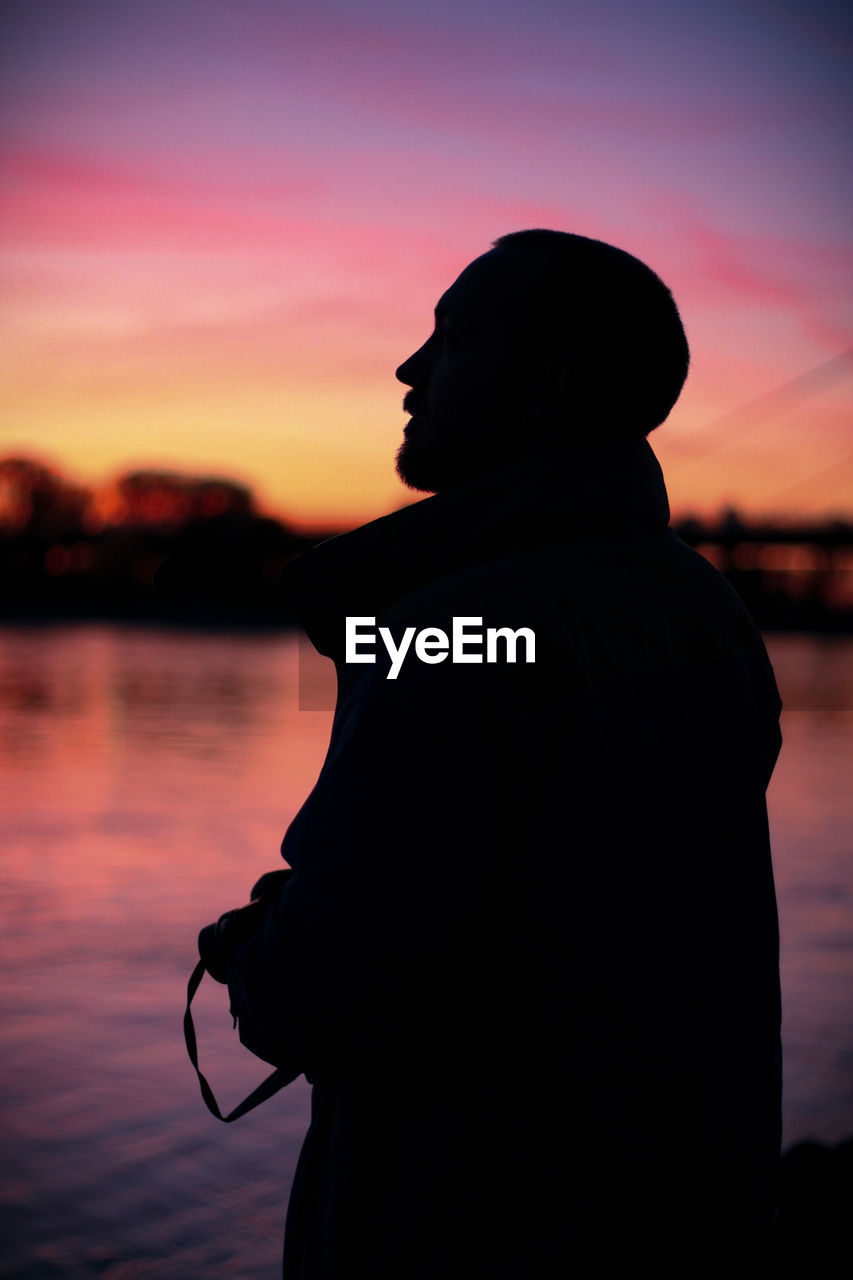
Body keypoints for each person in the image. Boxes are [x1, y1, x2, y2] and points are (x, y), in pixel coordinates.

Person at [198, 230, 783, 1276]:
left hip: (464, 1231)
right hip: (681, 1220)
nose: (410, 369)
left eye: (450, 338)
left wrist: (251, 949)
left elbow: (317, 995)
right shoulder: (712, 614)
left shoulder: (451, 626)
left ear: (547, 386)